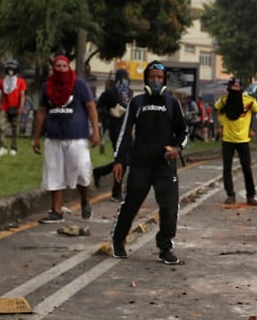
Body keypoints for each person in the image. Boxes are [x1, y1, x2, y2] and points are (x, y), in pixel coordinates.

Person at [109, 60, 189, 265]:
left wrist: (177, 148)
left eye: (159, 78)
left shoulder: (172, 103)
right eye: (152, 77)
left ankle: (165, 247)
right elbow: (125, 133)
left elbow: (183, 132)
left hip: (165, 165)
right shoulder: (137, 102)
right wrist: (119, 161)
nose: (155, 81)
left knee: (170, 207)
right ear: (146, 79)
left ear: (164, 80)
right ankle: (118, 241)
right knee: (130, 204)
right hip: (140, 163)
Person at [31, 55, 100, 223]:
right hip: (54, 137)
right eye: (58, 66)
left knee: (82, 171)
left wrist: (95, 131)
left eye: (64, 66)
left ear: (69, 67)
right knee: (54, 175)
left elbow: (91, 107)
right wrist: (36, 137)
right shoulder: (47, 86)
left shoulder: (79, 84)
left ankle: (84, 199)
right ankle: (56, 211)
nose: (61, 69)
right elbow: (41, 111)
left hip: (77, 137)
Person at [215, 77, 257, 205]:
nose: (234, 90)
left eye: (237, 87)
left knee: (247, 168)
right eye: (232, 87)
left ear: (241, 88)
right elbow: (215, 109)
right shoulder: (224, 101)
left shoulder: (249, 101)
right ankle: (230, 194)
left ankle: (250, 196)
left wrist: (255, 129)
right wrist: (217, 127)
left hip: (243, 139)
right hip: (227, 139)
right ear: (229, 88)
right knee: (227, 169)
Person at [93, 69, 133, 201]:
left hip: (127, 128)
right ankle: (116, 191)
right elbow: (98, 107)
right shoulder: (110, 92)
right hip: (115, 128)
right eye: (123, 78)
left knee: (126, 160)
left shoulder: (129, 92)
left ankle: (100, 172)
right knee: (121, 159)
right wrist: (109, 112)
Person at [0, 60, 27, 156]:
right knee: (1, 127)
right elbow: (2, 95)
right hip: (4, 108)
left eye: (12, 69)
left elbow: (22, 95)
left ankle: (14, 148)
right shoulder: (2, 82)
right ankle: (2, 147)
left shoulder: (21, 82)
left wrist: (21, 107)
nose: (10, 71)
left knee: (15, 130)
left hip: (16, 108)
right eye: (9, 69)